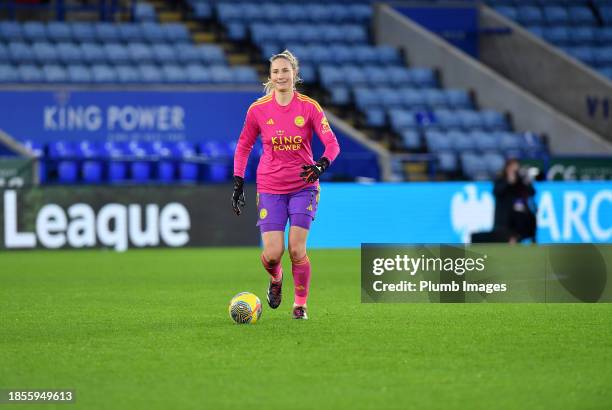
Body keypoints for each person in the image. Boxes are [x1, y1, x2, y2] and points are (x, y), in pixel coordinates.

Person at [231, 50, 340, 320]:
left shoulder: (309, 107)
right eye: (276, 71)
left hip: (304, 185)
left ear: (294, 75)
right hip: (270, 186)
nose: (281, 75)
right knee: (272, 253)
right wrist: (238, 180)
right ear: (270, 77)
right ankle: (276, 279)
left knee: (296, 249)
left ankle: (300, 305)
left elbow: (332, 144)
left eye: (285, 71)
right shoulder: (258, 110)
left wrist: (321, 165)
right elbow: (244, 145)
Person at [493, 158, 537, 243]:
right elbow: (497, 192)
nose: (514, 170)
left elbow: (532, 192)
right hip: (504, 216)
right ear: (507, 168)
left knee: (521, 232)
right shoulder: (501, 179)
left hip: (518, 216)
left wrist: (526, 181)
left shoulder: (521, 180)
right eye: (512, 168)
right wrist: (508, 181)